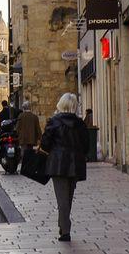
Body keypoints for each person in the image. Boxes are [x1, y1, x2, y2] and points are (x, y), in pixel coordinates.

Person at [38, 93, 89, 242]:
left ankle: (65, 230)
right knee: (68, 198)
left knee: (62, 199)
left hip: (58, 164)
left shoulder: (54, 122)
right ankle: (63, 225)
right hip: (75, 164)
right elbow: (86, 146)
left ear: (61, 104)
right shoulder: (80, 124)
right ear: (74, 106)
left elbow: (45, 143)